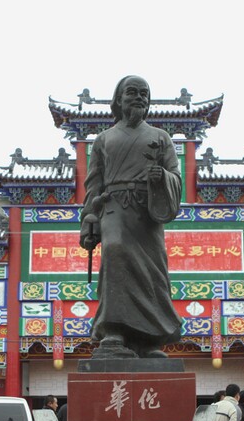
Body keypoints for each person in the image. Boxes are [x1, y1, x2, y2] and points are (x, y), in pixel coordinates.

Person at [79, 75, 182, 359]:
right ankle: (114, 332)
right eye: (132, 92)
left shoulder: (160, 137)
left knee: (153, 272)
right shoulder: (104, 139)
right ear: (119, 99)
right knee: (115, 256)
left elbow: (176, 175)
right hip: (113, 209)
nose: (138, 97)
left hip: (148, 212)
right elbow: (93, 183)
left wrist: (162, 177)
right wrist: (89, 218)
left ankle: (149, 340)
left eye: (144, 93)